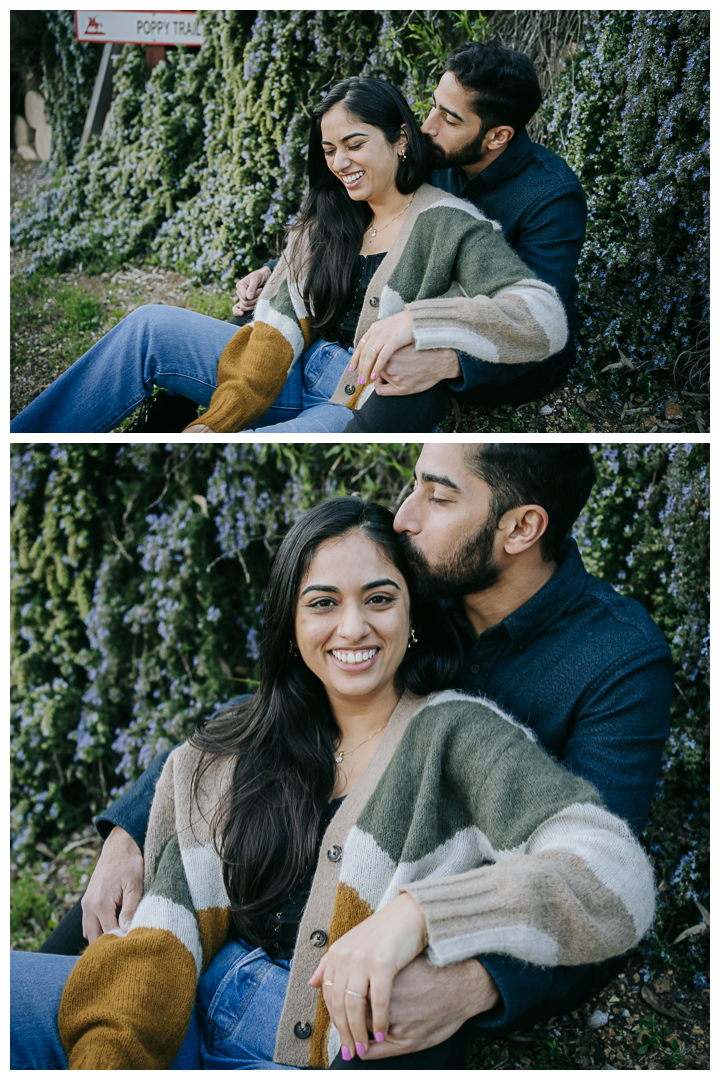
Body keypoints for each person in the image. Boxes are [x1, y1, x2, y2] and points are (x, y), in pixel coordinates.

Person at [35, 443, 674, 1064]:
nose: (405, 515)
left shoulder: (612, 662)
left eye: (438, 495)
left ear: (521, 528)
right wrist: (134, 824)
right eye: (415, 482)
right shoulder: (424, 572)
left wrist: (475, 982)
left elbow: (597, 884)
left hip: (356, 994)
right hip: (232, 938)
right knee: (79, 982)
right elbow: (290, 702)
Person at [10, 77, 567, 435]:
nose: (340, 162)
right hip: (292, 368)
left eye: (355, 144)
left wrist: (415, 323)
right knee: (148, 325)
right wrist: (218, 420)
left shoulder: (451, 221)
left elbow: (542, 316)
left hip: (354, 400)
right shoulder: (327, 220)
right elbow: (274, 331)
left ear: (399, 140)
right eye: (329, 150)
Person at [235, 42, 587, 433]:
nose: (428, 125)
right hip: (398, 325)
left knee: (400, 379)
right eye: (433, 104)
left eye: (450, 119)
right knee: (256, 336)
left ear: (497, 136)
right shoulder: (431, 156)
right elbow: (366, 222)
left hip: (507, 357)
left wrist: (451, 360)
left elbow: (530, 319)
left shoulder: (551, 197)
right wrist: (277, 269)